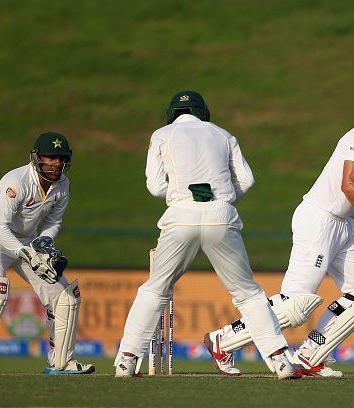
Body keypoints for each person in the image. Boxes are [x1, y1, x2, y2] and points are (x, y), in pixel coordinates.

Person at [204, 85, 354, 378]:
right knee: (297, 303)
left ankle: (310, 355)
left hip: (343, 225)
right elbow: (350, 185)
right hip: (318, 218)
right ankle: (223, 339)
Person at [114, 91, 299, 379]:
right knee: (248, 294)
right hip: (221, 215)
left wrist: (180, 197)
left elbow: (153, 186)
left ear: (173, 113)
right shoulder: (224, 135)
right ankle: (280, 361)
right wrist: (223, 200)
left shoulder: (162, 134)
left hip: (180, 216)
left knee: (155, 289)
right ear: (203, 112)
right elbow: (247, 179)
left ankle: (126, 360)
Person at [0, 131, 94, 375]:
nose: (56, 163)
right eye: (50, 157)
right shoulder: (16, 182)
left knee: (65, 297)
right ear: (36, 158)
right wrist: (25, 252)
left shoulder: (63, 185)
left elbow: (54, 221)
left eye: (61, 158)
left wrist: (43, 244)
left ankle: (60, 363)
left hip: (27, 241)